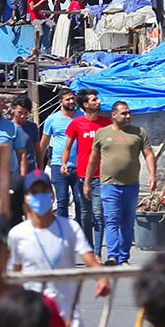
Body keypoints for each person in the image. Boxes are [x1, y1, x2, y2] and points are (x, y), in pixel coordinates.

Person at [10, 170, 105, 327]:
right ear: (26, 197)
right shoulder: (17, 234)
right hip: (32, 318)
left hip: (66, 317)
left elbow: (91, 260)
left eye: (44, 191)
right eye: (34, 192)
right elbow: (14, 275)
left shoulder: (71, 227)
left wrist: (102, 278)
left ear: (51, 194)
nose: (40, 196)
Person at [85, 100, 155, 265]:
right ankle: (112, 256)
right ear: (114, 115)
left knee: (128, 222)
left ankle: (123, 257)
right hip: (109, 185)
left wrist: (152, 175)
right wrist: (87, 182)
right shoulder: (102, 133)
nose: (128, 116)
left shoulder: (139, 132)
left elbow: (149, 154)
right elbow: (93, 159)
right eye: (124, 113)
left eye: (129, 113)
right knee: (111, 220)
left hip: (131, 185)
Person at [60, 90, 105, 251]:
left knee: (98, 214)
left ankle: (98, 252)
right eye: (94, 100)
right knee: (85, 214)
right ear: (86, 105)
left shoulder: (106, 123)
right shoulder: (77, 123)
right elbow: (67, 147)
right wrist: (63, 163)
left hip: (102, 175)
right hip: (82, 174)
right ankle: (89, 249)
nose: (98, 102)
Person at [38, 90, 80, 222]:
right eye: (67, 99)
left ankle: (79, 233)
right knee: (62, 201)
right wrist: (40, 167)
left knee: (80, 201)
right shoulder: (52, 119)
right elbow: (43, 144)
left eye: (73, 99)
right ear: (60, 102)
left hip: (79, 166)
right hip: (58, 165)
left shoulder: (82, 117)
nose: (71, 102)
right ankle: (63, 233)